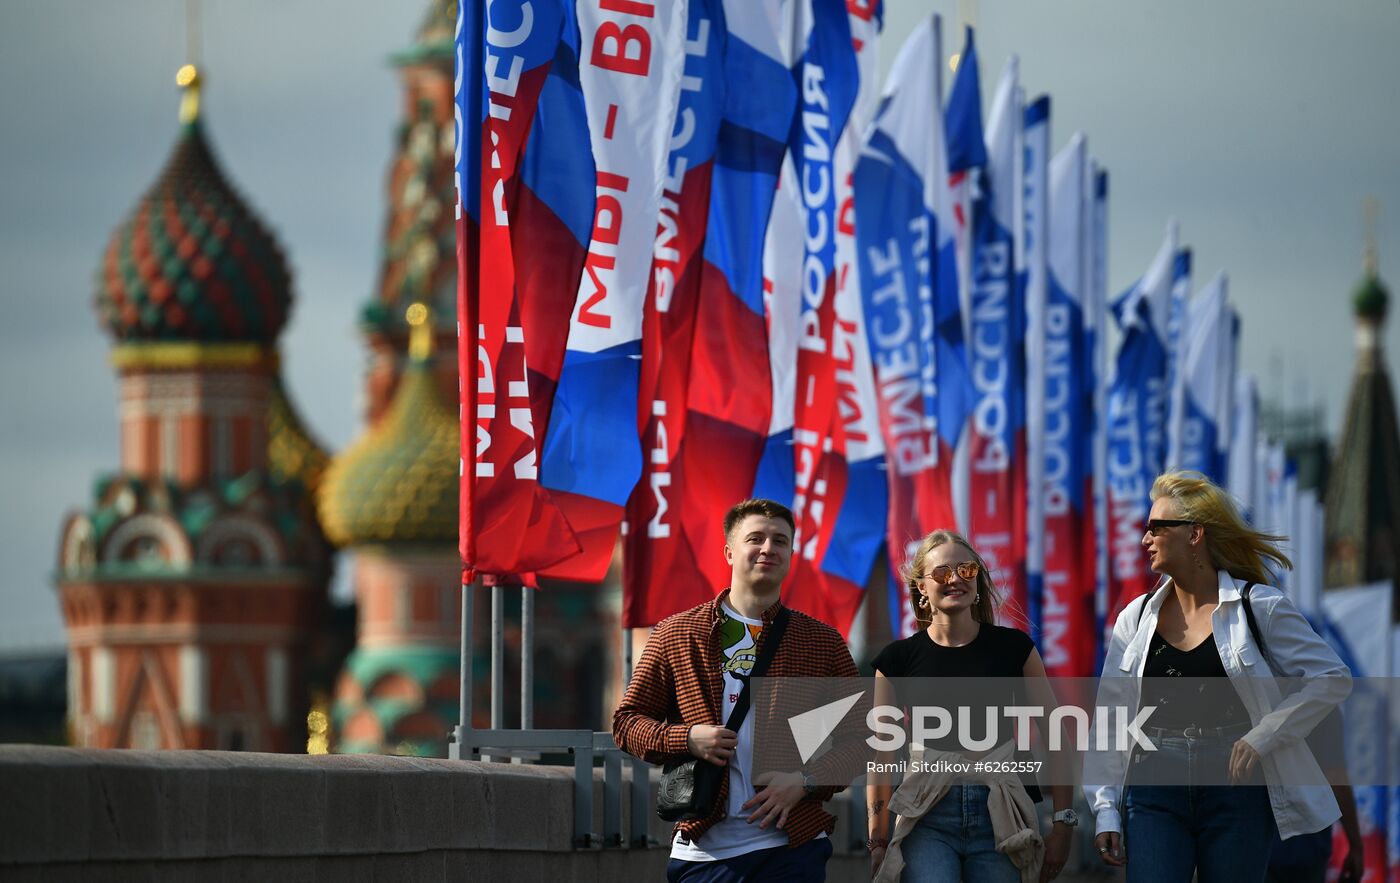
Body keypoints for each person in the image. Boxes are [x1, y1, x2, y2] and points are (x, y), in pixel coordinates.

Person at [1086, 470, 1352, 883]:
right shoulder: (1134, 618)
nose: (1145, 539)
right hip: (1153, 781)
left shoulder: (1259, 606)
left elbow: (1333, 677)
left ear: (1195, 534)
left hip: (1237, 783)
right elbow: (1110, 720)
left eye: (1157, 528)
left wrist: (1263, 735)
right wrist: (1105, 810)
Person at [612, 498, 866, 881]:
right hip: (704, 847)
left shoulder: (821, 642)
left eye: (780, 541)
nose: (768, 548)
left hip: (792, 842)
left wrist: (806, 781)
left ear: (791, 554)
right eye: (756, 538)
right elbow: (626, 723)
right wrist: (687, 738)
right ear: (729, 552)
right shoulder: (677, 634)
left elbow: (864, 735)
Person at [866, 529, 1075, 883]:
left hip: (1001, 811)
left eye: (966, 570)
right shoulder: (896, 660)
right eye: (941, 573)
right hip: (926, 812)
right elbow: (882, 755)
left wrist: (1064, 824)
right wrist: (878, 837)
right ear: (921, 588)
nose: (955, 580)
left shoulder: (1015, 648)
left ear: (977, 580)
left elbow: (1056, 737)